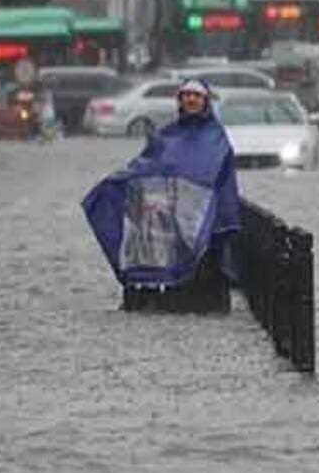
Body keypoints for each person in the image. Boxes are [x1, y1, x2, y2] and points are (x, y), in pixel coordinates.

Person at [82, 78, 241, 313]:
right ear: (180, 100)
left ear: (205, 101)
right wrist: (116, 182)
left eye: (196, 95)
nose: (191, 99)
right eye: (186, 95)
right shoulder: (166, 135)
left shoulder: (216, 137)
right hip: (168, 218)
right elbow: (147, 166)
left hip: (202, 219)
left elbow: (218, 176)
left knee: (202, 264)